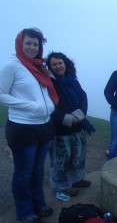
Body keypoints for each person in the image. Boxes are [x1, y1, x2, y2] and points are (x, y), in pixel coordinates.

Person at [0, 28, 57, 223]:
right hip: (22, 127)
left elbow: (44, 92)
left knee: (39, 168)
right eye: (28, 43)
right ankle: (24, 211)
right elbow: (1, 94)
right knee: (24, 171)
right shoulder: (12, 66)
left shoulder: (39, 66)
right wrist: (32, 106)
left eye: (36, 44)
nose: (32, 47)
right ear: (20, 44)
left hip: (44, 125)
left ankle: (38, 203)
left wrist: (47, 106)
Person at [46, 52, 95, 198]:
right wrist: (67, 119)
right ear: (50, 67)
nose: (58, 66)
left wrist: (78, 116)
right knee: (61, 158)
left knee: (78, 155)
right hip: (60, 128)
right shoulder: (49, 83)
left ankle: (76, 179)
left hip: (78, 126)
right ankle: (62, 186)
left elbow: (83, 98)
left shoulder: (73, 80)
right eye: (53, 64)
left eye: (60, 63)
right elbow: (49, 105)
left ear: (65, 63)